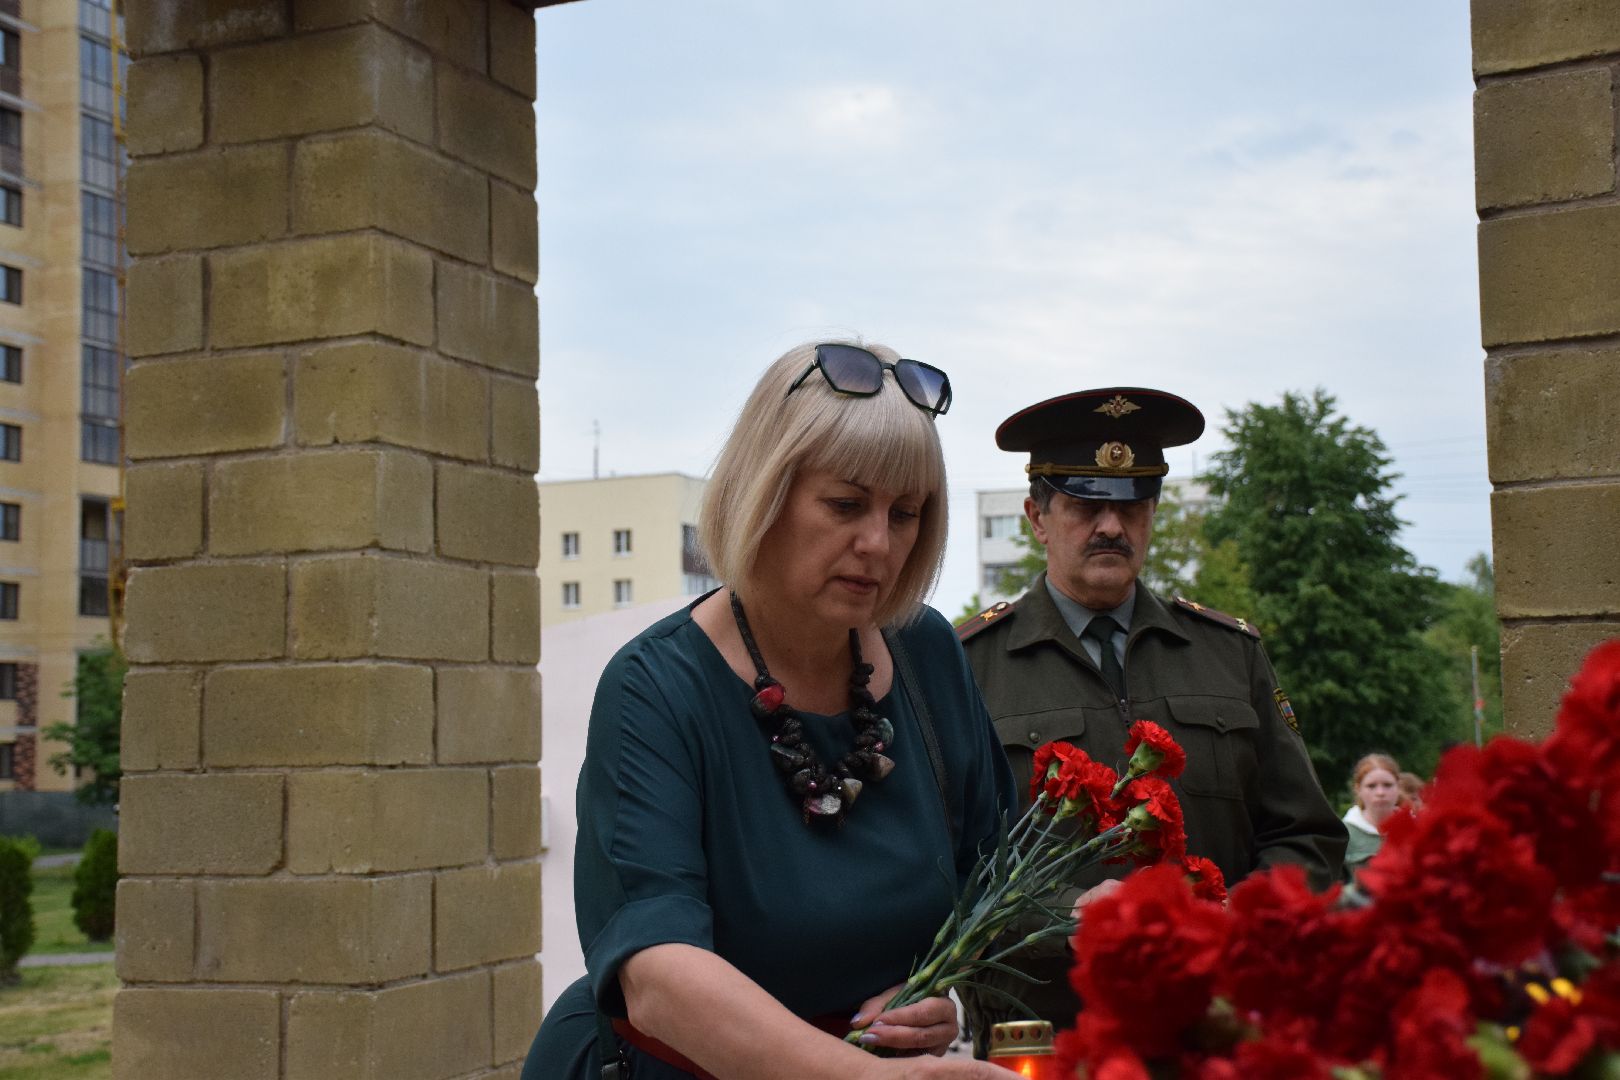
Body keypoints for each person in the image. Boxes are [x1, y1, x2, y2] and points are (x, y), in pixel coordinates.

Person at [524, 342, 1017, 1080]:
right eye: (845, 505)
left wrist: (937, 985)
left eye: (906, 513)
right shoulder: (653, 687)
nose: (878, 543)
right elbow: (657, 975)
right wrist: (873, 1078)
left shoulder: (927, 655)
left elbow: (994, 879)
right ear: (765, 494)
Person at [956, 387, 1346, 1046]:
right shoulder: (969, 666)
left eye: (1132, 505)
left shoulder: (1230, 655)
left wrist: (1234, 918)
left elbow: (1307, 837)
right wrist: (1064, 915)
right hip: (1046, 1038)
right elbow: (943, 865)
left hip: (1218, 1028)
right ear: (1036, 517)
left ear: (1153, 514)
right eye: (1086, 505)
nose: (1111, 527)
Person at [1343, 753, 1402, 879]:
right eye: (1371, 786)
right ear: (1358, 789)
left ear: (1398, 786)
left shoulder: (1415, 829)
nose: (1380, 793)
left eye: (1387, 785)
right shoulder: (1344, 833)